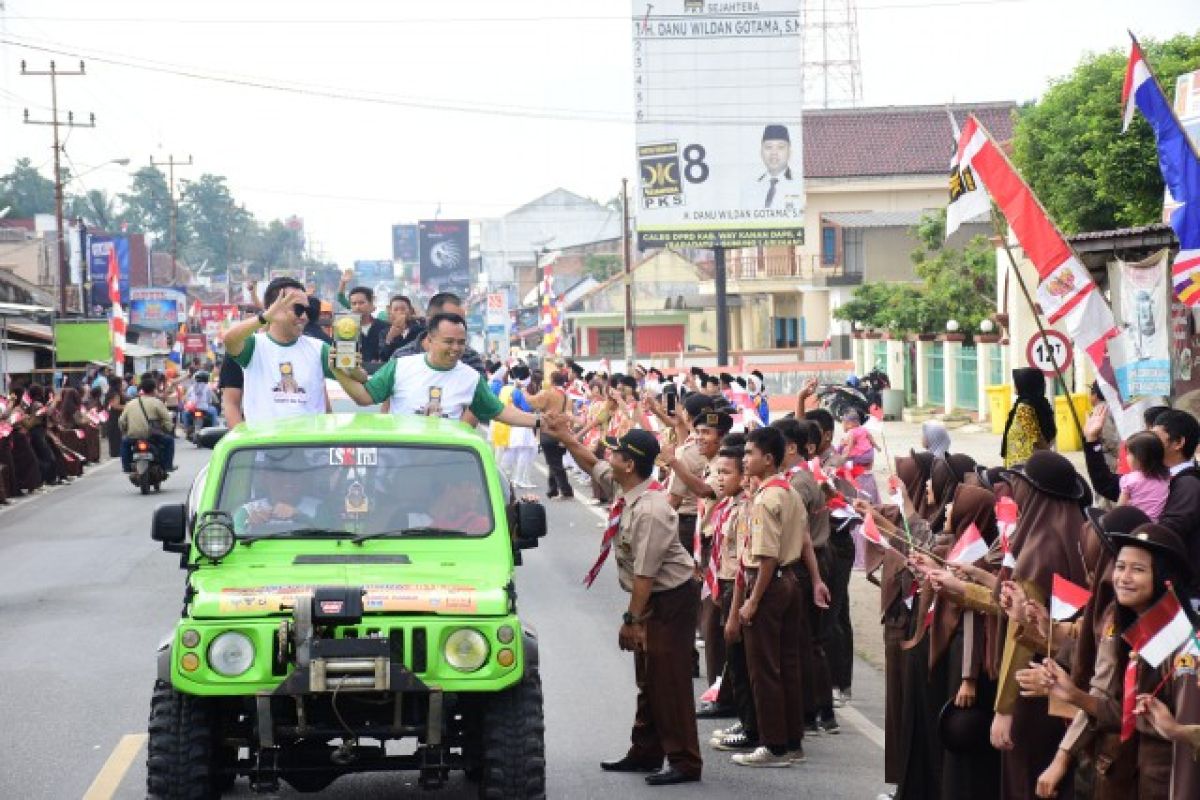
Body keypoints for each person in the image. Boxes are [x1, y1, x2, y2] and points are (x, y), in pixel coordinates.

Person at [543, 419, 703, 786]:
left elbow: (646, 575)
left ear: (630, 465)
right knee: (648, 677)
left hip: (670, 599)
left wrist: (632, 619)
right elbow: (590, 463)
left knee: (669, 681)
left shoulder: (651, 510)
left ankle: (685, 761)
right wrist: (566, 436)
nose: (607, 455)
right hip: (656, 596)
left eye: (615, 451)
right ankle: (646, 752)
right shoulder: (626, 485)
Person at [727, 426, 815, 768]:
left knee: (763, 668)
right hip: (790, 580)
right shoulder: (788, 491)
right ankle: (792, 741)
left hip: (769, 583)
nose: (745, 459)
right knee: (788, 665)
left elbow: (766, 557)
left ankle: (773, 745)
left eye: (750, 453)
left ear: (768, 458)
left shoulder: (766, 498)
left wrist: (752, 600)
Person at [333, 313, 539, 430]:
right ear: (429, 341)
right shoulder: (401, 366)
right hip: (401, 467)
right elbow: (364, 397)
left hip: (444, 469)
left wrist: (540, 422)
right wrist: (337, 371)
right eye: (448, 342)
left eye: (461, 342)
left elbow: (501, 412)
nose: (456, 348)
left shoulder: (471, 378)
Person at [1085, 407, 1200, 578]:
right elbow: (1106, 485)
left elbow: (1167, 533)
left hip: (1178, 587)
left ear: (1178, 443)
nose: (1148, 441)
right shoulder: (1149, 476)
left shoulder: (1189, 484)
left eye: (1155, 437)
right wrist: (1092, 441)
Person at [223, 277, 335, 424]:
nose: (304, 316)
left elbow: (357, 383)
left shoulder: (319, 349)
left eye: (306, 310)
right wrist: (265, 317)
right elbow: (229, 339)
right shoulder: (253, 347)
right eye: (298, 309)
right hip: (264, 445)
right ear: (274, 308)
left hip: (310, 445)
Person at [390, 292, 486, 375]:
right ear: (430, 321)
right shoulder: (402, 358)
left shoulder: (470, 358)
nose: (458, 325)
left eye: (461, 321)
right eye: (451, 320)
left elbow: (479, 393)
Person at [118, 376, 176, 473]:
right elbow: (167, 419)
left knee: (124, 443)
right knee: (169, 441)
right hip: (153, 435)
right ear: (154, 389)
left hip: (133, 436)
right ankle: (167, 465)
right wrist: (168, 428)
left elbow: (121, 421)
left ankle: (126, 467)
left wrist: (125, 431)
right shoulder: (157, 402)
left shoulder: (130, 403)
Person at [1001, 368, 1057, 468]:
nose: (1014, 385)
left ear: (1025, 384)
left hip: (1024, 466)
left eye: (1017, 382)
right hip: (1032, 462)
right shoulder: (1042, 403)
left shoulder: (1024, 408)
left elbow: (1037, 439)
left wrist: (1050, 460)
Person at [1117, 431, 1171, 522]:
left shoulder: (1129, 479)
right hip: (1157, 524)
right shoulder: (1165, 476)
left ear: (1140, 457)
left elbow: (1119, 509)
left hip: (1135, 524)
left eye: (1129, 454)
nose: (1126, 457)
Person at [744, 124, 801, 210]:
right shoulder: (749, 187)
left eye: (780, 147)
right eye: (768, 147)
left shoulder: (799, 183)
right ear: (761, 152)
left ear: (789, 152)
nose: (774, 153)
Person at [345, 285, 390, 369]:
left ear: (370, 303)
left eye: (361, 303)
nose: (357, 307)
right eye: (354, 304)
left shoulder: (385, 328)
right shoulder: (344, 330)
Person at [379, 294, 423, 361]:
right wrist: (389, 338)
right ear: (390, 311)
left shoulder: (419, 330)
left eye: (403, 309)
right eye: (395, 310)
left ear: (410, 310)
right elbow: (383, 357)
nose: (400, 312)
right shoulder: (384, 332)